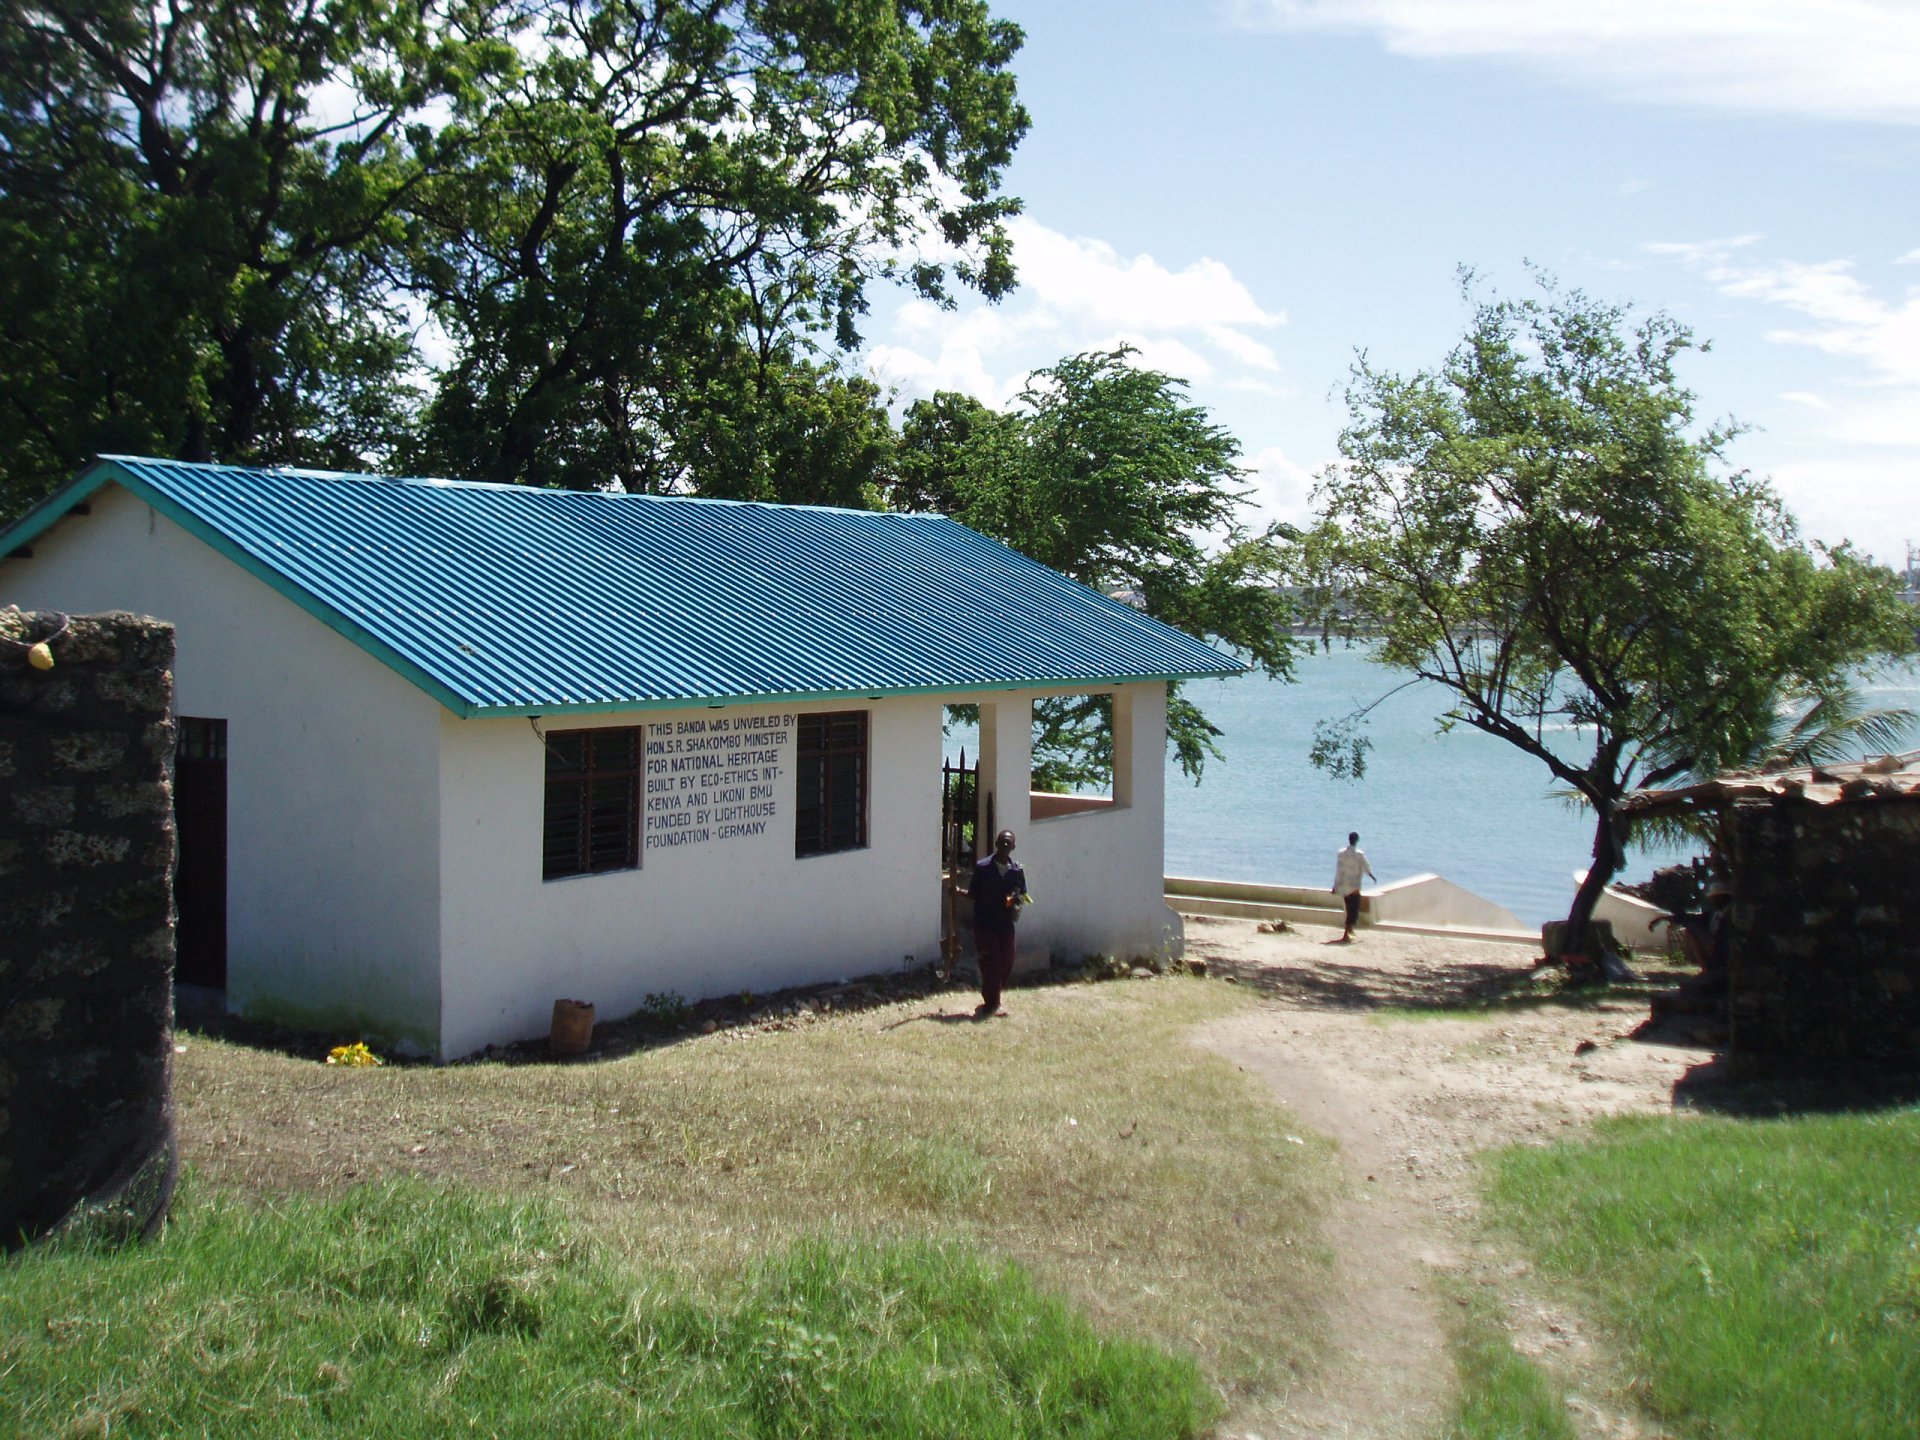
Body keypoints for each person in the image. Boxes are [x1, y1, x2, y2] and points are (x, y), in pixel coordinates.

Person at [970, 828, 1028, 1018]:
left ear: (1014, 846)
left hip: (1005, 923)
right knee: (992, 962)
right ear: (996, 844)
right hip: (985, 923)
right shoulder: (983, 867)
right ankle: (992, 1002)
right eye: (1001, 841)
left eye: (1008, 842)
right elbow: (973, 894)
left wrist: (1016, 902)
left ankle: (993, 993)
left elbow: (1023, 895)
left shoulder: (1017, 871)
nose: (1004, 845)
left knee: (1007, 961)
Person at [1332, 831, 1376, 942]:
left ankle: (1349, 931)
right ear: (1357, 840)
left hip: (1344, 885)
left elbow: (1339, 871)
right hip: (1355, 885)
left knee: (1348, 908)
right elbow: (1365, 867)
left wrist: (1335, 885)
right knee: (1354, 910)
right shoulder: (1359, 854)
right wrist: (1371, 875)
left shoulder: (1342, 853)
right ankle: (1347, 932)